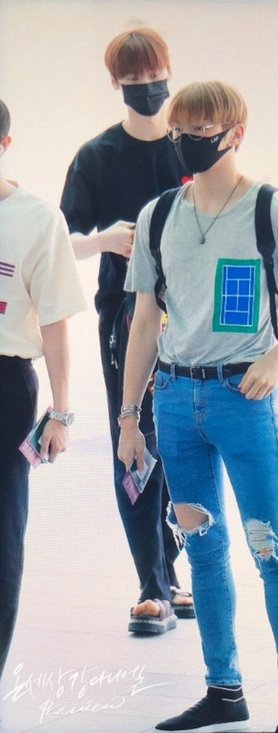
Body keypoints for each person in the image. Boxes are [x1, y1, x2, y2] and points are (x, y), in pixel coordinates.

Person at [118, 80, 278, 733]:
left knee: (271, 549)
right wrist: (129, 417)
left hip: (245, 399)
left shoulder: (272, 211)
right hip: (175, 400)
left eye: (202, 129)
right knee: (203, 551)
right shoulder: (159, 215)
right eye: (181, 129)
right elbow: (145, 320)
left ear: (236, 133)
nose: (188, 139)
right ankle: (224, 689)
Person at [60, 28, 194, 633]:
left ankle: (170, 572)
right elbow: (61, 240)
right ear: (115, 83)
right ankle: (152, 584)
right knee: (133, 435)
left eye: (154, 76)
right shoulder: (97, 157)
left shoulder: (190, 150)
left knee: (183, 441)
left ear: (170, 70)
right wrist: (105, 241)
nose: (147, 87)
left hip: (194, 316)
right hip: (124, 317)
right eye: (134, 79)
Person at [0, 98, 86, 681]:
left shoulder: (36, 219)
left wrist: (62, 411)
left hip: (5, 384)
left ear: (4, 146)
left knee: (1, 537)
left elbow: (55, 320)